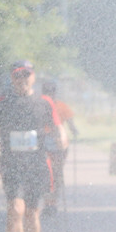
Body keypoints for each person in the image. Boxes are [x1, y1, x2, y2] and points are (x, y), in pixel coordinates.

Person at [0, 60, 68, 232]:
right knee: (15, 210)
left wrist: (61, 140)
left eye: (26, 74)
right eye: (17, 75)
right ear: (12, 78)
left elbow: (59, 129)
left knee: (31, 213)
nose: (22, 79)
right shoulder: (0, 102)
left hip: (37, 165)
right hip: (11, 165)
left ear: (33, 77)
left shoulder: (44, 102)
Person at [40, 80, 79, 214]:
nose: (49, 95)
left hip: (58, 144)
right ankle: (48, 203)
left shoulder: (61, 106)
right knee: (47, 173)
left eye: (50, 93)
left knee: (55, 173)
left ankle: (52, 203)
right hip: (45, 144)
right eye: (47, 93)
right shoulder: (39, 105)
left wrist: (74, 131)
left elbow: (71, 123)